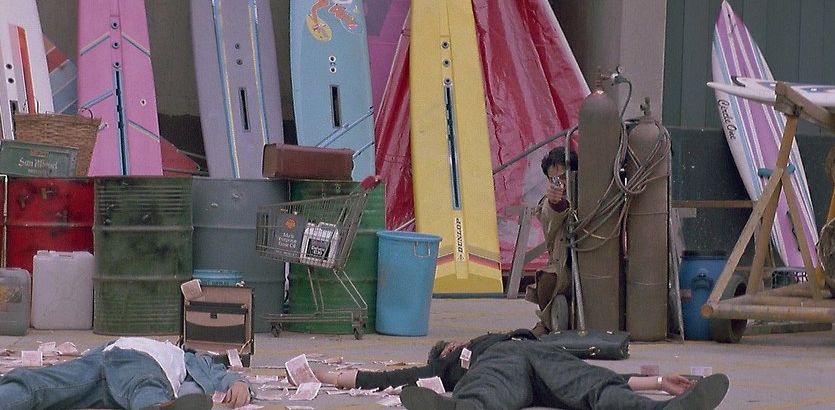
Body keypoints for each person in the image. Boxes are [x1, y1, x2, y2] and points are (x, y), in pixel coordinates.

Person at [312, 329, 729, 410]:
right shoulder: (449, 364)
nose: (454, 343)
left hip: (540, 355)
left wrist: (659, 382)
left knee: (594, 384)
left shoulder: (499, 337)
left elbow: (606, 375)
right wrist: (326, 377)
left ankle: (659, 409)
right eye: (448, 346)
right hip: (503, 364)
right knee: (489, 390)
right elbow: (389, 379)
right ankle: (460, 409)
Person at [0, 337, 252, 410]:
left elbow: (218, 371)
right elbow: (217, 371)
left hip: (99, 367)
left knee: (40, 385)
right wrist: (237, 381)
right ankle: (154, 406)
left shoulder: (186, 356)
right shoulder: (168, 353)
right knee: (144, 384)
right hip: (131, 361)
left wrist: (237, 382)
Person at [526, 146, 578, 336]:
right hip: (566, 272)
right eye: (554, 180)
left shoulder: (592, 196)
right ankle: (547, 323)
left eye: (563, 178)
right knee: (546, 278)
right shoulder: (546, 204)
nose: (560, 185)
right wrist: (556, 203)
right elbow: (549, 216)